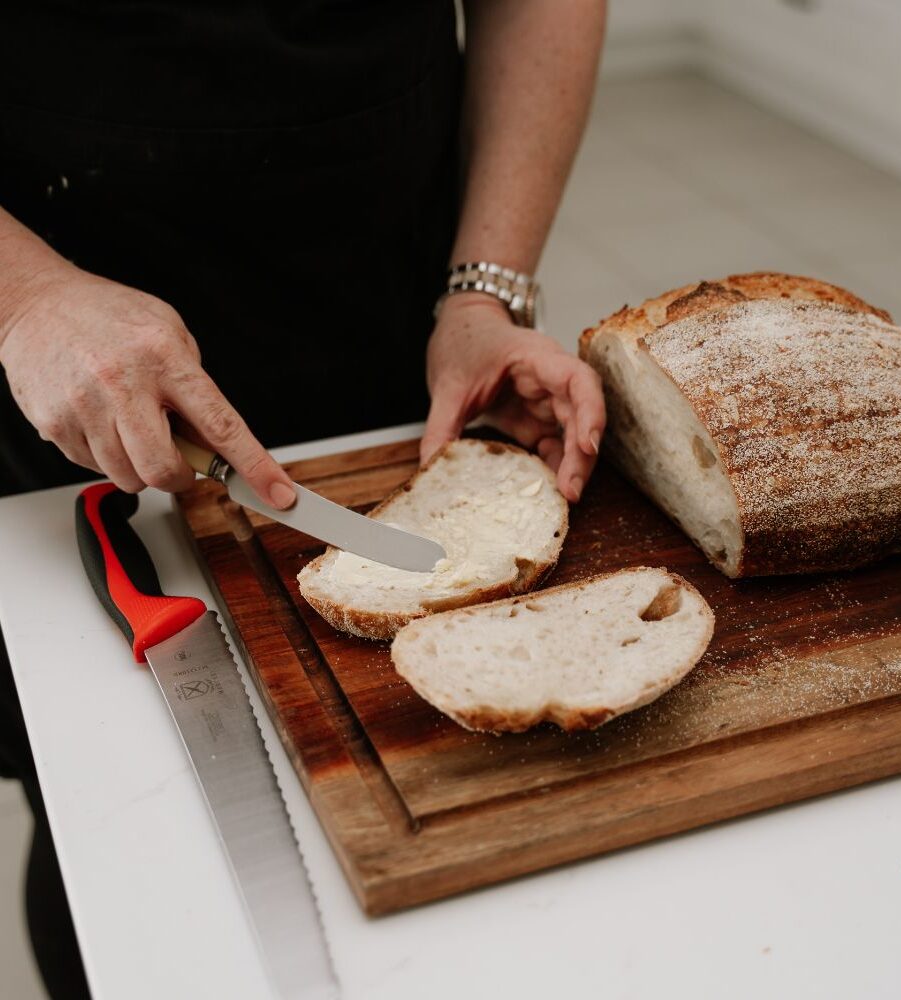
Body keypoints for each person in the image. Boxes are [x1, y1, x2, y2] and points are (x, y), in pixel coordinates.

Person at [0, 1, 607, 996]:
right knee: (106, 808)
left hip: (382, 290)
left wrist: (480, 292)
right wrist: (21, 298)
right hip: (54, 343)